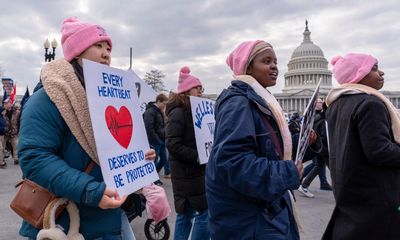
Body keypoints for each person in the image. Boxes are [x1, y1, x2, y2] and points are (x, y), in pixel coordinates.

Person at [18, 17, 155, 240]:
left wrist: (140, 157)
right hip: (68, 224)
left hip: (110, 219)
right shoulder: (47, 99)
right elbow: (34, 158)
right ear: (78, 53)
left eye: (108, 48)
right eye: (98, 46)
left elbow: (116, 148)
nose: (106, 53)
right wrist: (92, 191)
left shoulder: (108, 98)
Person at [206, 40, 304, 239]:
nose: (274, 66)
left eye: (275, 61)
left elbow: (270, 147)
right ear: (247, 67)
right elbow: (233, 162)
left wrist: (303, 142)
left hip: (263, 214)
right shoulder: (239, 104)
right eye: (266, 61)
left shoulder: (262, 101)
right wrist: (287, 172)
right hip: (250, 221)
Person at [322, 53, 400, 239]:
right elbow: (380, 151)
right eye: (373, 68)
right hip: (376, 195)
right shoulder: (370, 103)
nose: (381, 73)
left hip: (351, 189)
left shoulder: (336, 104)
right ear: (358, 75)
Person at [165, 66, 210, 240]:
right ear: (187, 90)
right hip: (188, 173)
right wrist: (197, 156)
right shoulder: (179, 113)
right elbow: (172, 143)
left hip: (192, 173)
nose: (200, 92)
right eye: (198, 88)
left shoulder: (191, 110)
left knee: (186, 214)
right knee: (204, 213)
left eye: (201, 89)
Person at [298, 98, 332, 198]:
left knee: (318, 166)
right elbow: (324, 134)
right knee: (334, 169)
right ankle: (344, 190)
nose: (322, 103)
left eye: (322, 102)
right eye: (320, 102)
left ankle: (304, 185)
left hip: (319, 147)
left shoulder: (314, 116)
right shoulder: (318, 117)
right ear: (314, 104)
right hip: (323, 147)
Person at [143, 93, 170, 184]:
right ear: (158, 101)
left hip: (161, 140)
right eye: (164, 103)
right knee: (154, 160)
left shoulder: (159, 111)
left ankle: (154, 175)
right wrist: (157, 139)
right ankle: (153, 179)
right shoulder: (150, 111)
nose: (165, 106)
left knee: (164, 159)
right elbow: (149, 128)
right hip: (154, 140)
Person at [3, 99, 21, 165]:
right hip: (5, 132)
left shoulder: (17, 112)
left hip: (14, 132)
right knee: (2, 146)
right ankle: (1, 159)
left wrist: (19, 129)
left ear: (11, 104)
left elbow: (19, 121)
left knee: (16, 146)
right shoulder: (2, 112)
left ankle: (16, 159)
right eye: (4, 104)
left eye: (7, 103)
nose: (5, 105)